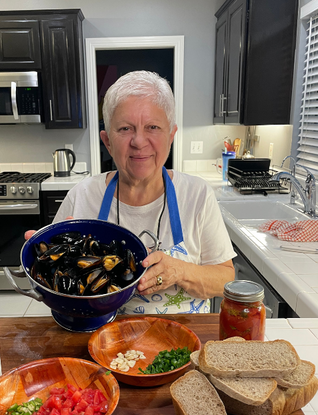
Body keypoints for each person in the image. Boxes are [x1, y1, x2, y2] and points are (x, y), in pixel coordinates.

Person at [28, 70, 235, 315]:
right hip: (101, 337)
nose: (138, 141)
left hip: (183, 341)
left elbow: (226, 280)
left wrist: (179, 271)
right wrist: (48, 262)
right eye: (125, 129)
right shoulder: (81, 196)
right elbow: (52, 282)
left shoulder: (197, 195)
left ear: (171, 137)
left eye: (153, 127)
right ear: (107, 141)